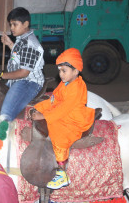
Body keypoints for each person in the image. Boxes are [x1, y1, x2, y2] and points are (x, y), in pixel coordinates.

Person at [30, 48, 95, 190]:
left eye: (64, 71)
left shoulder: (77, 87)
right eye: (60, 71)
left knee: (57, 131)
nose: (61, 74)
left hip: (74, 120)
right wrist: (39, 107)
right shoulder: (64, 84)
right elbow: (53, 100)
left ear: (76, 71)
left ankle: (61, 172)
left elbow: (65, 108)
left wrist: (44, 115)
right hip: (64, 114)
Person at [0, 7, 45, 122]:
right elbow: (21, 56)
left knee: (5, 114)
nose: (11, 28)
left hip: (28, 82)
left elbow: (23, 72)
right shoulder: (22, 39)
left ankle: (4, 134)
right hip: (21, 80)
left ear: (25, 24)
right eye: (10, 25)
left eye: (14, 24)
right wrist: (10, 44)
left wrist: (1, 75)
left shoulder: (30, 43)